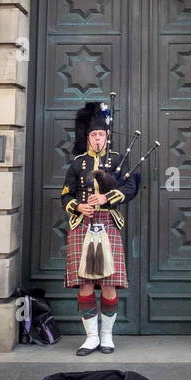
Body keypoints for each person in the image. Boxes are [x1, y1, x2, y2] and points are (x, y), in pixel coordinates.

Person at [61, 102, 137, 355]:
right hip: (82, 224)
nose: (97, 139)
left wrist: (105, 198)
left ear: (107, 137)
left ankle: (107, 336)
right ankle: (91, 337)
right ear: (87, 137)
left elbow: (130, 189)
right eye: (93, 135)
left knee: (109, 284)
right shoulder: (77, 163)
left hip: (107, 223)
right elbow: (65, 195)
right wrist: (78, 207)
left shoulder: (118, 160)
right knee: (84, 285)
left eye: (101, 135)